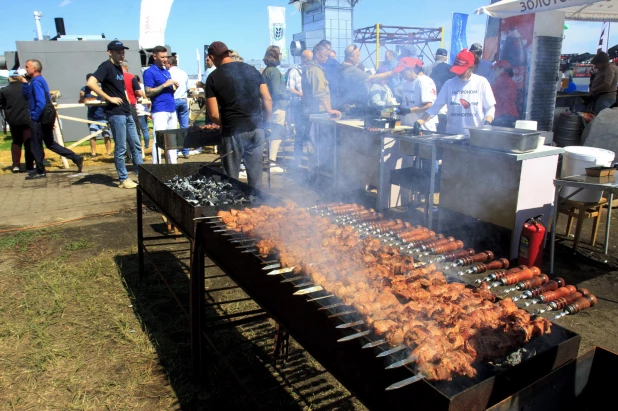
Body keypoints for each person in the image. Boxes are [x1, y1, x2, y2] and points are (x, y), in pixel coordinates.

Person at [205, 41, 272, 189]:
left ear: (212, 56)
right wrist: (265, 124)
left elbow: (213, 114)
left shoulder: (213, 78)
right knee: (256, 181)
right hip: (257, 130)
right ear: (228, 53)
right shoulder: (252, 70)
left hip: (232, 133)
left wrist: (223, 125)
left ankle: (232, 209)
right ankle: (257, 208)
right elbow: (268, 100)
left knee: (231, 179)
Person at [88, 40, 143, 189]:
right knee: (121, 147)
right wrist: (108, 98)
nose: (121, 55)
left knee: (136, 144)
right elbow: (91, 83)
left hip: (126, 110)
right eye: (118, 52)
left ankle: (142, 175)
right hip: (115, 112)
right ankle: (123, 178)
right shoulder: (106, 66)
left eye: (123, 52)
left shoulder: (119, 68)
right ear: (110, 52)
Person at [22, 59, 83, 179]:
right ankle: (75, 157)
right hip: (47, 115)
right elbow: (27, 96)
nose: (25, 69)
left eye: (27, 67)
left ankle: (40, 170)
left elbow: (40, 102)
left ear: (34, 69)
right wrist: (24, 83)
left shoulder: (36, 82)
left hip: (40, 117)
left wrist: (34, 116)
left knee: (36, 144)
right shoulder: (38, 81)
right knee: (49, 143)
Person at [415, 49, 495, 136]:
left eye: (462, 70)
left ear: (471, 68)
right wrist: (419, 122)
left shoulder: (481, 82)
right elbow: (435, 108)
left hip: (475, 137)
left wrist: (486, 124)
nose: (458, 73)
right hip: (452, 137)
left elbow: (490, 109)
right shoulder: (449, 84)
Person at [144, 45, 179, 164]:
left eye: (166, 57)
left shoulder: (166, 72)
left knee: (172, 139)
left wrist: (173, 88)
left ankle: (173, 165)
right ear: (154, 57)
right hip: (159, 109)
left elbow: (166, 91)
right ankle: (157, 165)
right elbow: (148, 92)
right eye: (162, 57)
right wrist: (164, 85)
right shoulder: (149, 72)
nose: (165, 59)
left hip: (171, 108)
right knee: (159, 139)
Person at [338, 44, 395, 109]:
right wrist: (392, 73)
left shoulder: (343, 68)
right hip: (353, 107)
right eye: (357, 55)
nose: (359, 57)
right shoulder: (350, 70)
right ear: (351, 57)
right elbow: (372, 78)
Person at [0, 69, 33, 173]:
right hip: (27, 118)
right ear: (20, 77)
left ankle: (16, 165)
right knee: (28, 142)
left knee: (16, 142)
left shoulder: (4, 90)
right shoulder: (27, 88)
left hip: (13, 120)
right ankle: (29, 165)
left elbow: (1, 104)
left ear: (9, 78)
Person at [262, 45, 288, 171]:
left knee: (269, 134)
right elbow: (276, 91)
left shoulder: (266, 71)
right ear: (276, 55)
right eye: (280, 53)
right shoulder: (275, 72)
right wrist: (288, 95)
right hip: (277, 106)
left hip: (268, 106)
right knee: (276, 135)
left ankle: (269, 160)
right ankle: (272, 162)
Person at [396, 58, 438, 131]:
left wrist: (409, 110)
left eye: (403, 71)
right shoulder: (405, 83)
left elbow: (428, 105)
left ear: (411, 69)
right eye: (400, 72)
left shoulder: (424, 82)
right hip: (408, 126)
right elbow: (406, 102)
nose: (401, 74)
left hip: (423, 127)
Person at [79, 73, 112, 157]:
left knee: (106, 134)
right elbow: (81, 102)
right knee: (93, 135)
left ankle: (109, 152)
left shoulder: (101, 88)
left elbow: (106, 98)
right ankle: (93, 153)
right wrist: (82, 97)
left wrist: (97, 96)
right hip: (92, 117)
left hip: (103, 115)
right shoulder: (84, 89)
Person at [287, 50, 310, 167]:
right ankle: (298, 159)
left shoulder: (312, 71)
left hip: (311, 107)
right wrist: (303, 95)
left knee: (310, 134)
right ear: (303, 59)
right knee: (300, 133)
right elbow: (290, 89)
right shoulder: (294, 71)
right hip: (299, 106)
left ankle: (311, 160)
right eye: (308, 59)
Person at [165, 55, 192, 158]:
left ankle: (174, 151)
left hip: (172, 100)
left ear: (169, 63)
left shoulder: (167, 73)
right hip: (183, 100)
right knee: (184, 127)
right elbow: (188, 88)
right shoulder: (184, 73)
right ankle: (186, 150)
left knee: (173, 127)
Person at [121, 61, 145, 146]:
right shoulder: (131, 76)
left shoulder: (113, 77)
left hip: (117, 106)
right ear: (126, 67)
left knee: (122, 132)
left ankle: (128, 154)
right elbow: (138, 92)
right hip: (130, 104)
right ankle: (137, 153)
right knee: (135, 130)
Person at [490, 60, 519, 127]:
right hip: (511, 115)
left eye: (495, 69)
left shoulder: (500, 81)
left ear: (502, 69)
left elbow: (489, 95)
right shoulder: (510, 80)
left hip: (502, 116)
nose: (494, 71)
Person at [318, 40, 340, 108]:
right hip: (319, 96)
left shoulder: (334, 63)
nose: (327, 51)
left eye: (328, 49)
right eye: (326, 49)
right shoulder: (315, 63)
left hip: (333, 94)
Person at [134, 75, 151, 150]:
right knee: (144, 129)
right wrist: (147, 108)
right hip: (144, 111)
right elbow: (148, 100)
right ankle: (146, 145)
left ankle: (140, 145)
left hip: (138, 110)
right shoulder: (145, 87)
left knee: (138, 130)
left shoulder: (136, 87)